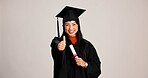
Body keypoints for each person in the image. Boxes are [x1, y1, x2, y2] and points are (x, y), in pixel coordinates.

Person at [50, 6, 101, 78]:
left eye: (74, 24)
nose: (71, 28)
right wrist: (59, 50)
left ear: (78, 26)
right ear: (63, 26)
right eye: (67, 25)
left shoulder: (87, 45)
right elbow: (57, 59)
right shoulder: (57, 42)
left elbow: (97, 67)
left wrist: (85, 64)